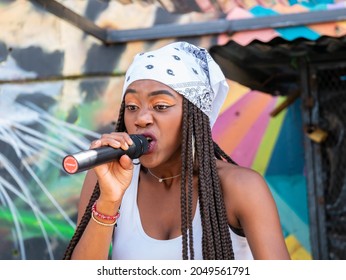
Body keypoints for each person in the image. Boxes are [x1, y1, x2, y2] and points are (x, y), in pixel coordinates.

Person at [63, 41, 290, 260]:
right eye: (132, 107)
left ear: (195, 117)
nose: (141, 118)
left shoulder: (240, 186)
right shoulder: (106, 178)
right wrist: (109, 201)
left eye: (160, 106)